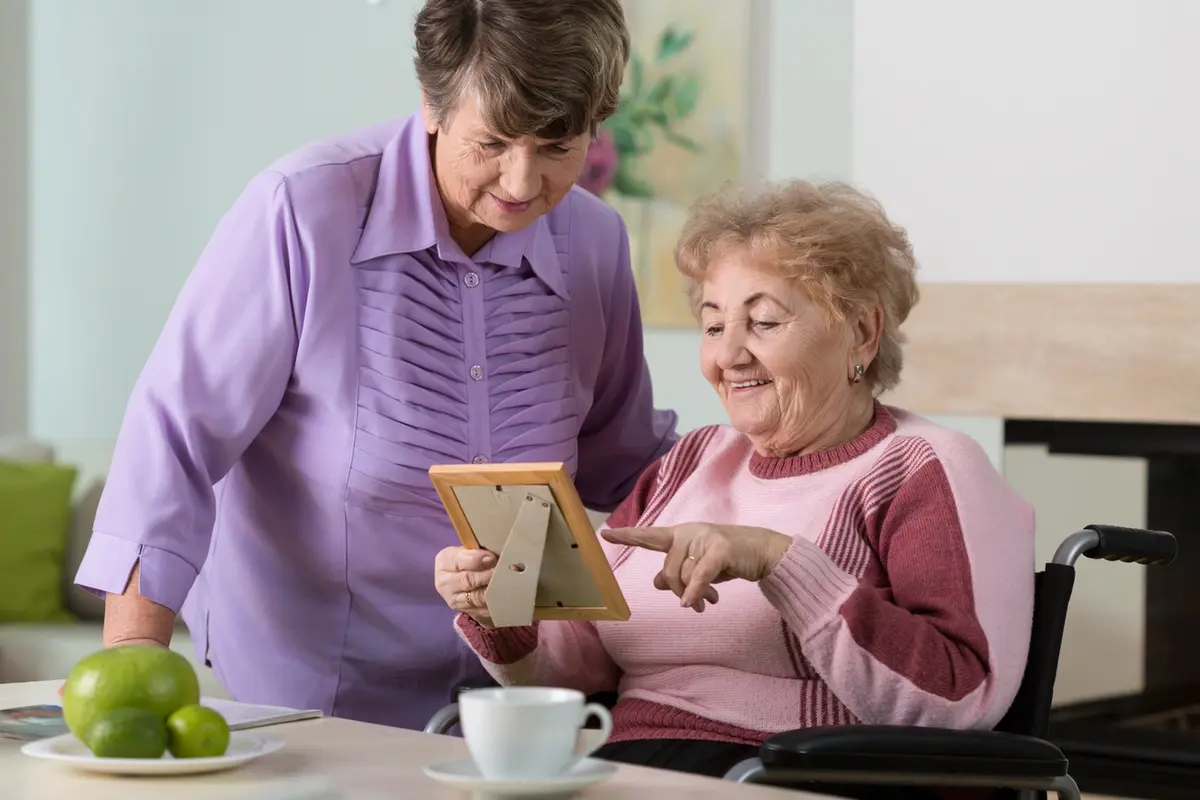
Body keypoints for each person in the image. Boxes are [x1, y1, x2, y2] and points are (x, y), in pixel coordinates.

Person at [72, 0, 677, 732]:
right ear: (432, 103)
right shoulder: (305, 209)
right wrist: (134, 668)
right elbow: (173, 442)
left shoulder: (596, 243)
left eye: (557, 147)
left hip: (513, 706)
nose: (522, 184)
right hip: (310, 702)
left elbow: (625, 464)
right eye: (492, 142)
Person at [435, 179, 1036, 795]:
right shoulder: (691, 460)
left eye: (764, 321)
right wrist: (503, 606)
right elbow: (584, 667)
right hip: (629, 766)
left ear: (861, 332)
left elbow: (959, 696)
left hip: (794, 774)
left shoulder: (920, 468)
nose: (729, 355)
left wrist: (780, 561)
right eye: (713, 324)